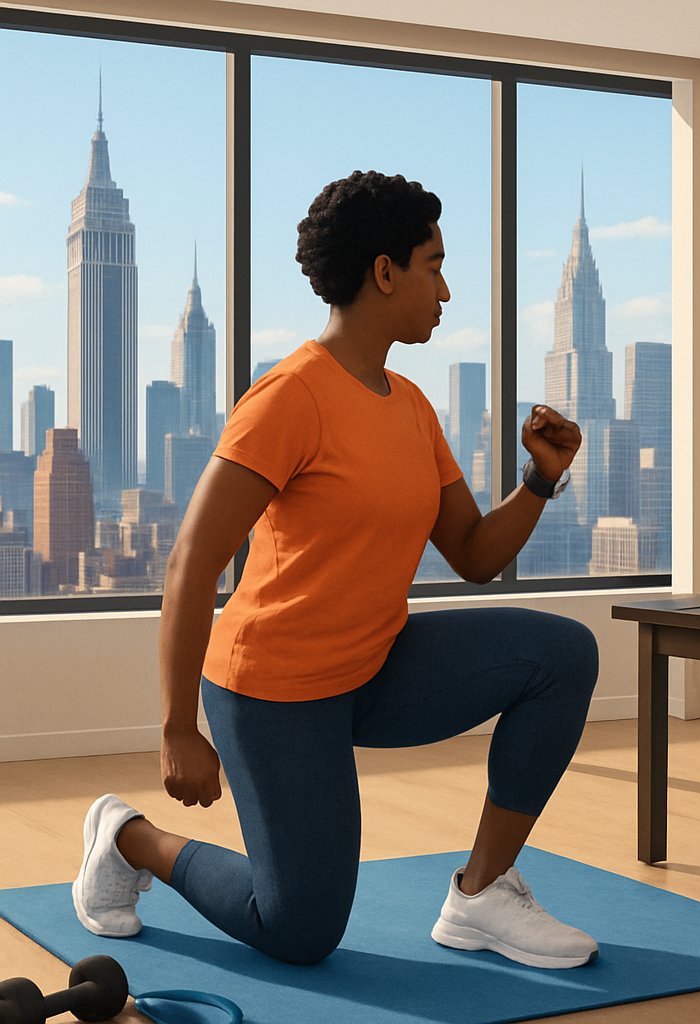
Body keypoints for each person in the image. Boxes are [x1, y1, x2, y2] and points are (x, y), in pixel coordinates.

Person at [71, 170, 600, 970]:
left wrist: (539, 480)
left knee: (562, 655)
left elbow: (474, 555)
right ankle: (128, 839)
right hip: (274, 688)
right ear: (385, 272)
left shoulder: (411, 406)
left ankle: (482, 894)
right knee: (300, 930)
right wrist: (178, 727)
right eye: (433, 266)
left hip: (375, 664)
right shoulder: (290, 397)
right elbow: (192, 561)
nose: (445, 290)